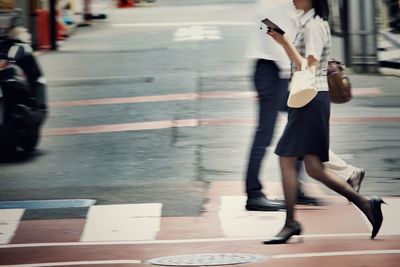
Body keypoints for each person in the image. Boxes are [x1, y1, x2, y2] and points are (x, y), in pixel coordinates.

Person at [263, 0, 384, 244]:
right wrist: (282, 41)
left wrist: (285, 42)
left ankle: (290, 223)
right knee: (314, 168)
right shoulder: (308, 23)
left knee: (286, 158)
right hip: (308, 99)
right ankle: (367, 205)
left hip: (311, 100)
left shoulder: (314, 27)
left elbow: (308, 67)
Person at [245, 0, 365, 211]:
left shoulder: (285, 8)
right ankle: (255, 192)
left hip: (278, 73)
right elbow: (274, 40)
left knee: (297, 133)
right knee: (272, 133)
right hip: (276, 73)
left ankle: (302, 190)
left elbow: (270, 31)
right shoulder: (277, 5)